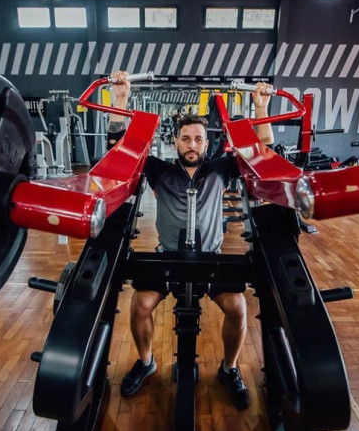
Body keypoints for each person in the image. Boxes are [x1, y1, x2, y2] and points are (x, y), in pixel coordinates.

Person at [107, 71, 274, 410]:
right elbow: (118, 150)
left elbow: (263, 152)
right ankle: (146, 361)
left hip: (211, 259)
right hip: (168, 258)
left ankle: (229, 369)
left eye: (198, 139)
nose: (192, 144)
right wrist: (120, 99)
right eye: (186, 138)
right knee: (140, 305)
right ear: (176, 142)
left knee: (238, 308)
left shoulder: (220, 170)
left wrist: (260, 107)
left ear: (206, 144)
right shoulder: (160, 171)